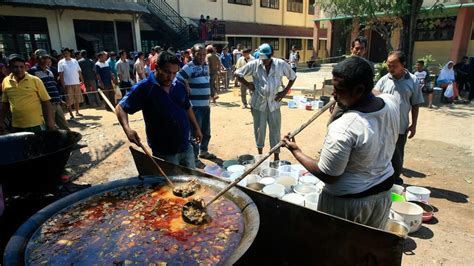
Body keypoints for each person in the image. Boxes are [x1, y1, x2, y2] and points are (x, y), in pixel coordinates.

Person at [282, 56, 400, 229]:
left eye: (339, 89)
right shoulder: (391, 102)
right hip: (382, 194)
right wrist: (344, 100)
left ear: (359, 89)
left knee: (337, 252)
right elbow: (374, 93)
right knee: (367, 249)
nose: (333, 94)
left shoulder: (345, 127)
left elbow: (329, 175)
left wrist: (296, 151)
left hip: (348, 206)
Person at [116, 51, 203, 168]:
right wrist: (127, 130)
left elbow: (187, 107)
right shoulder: (145, 87)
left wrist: (196, 128)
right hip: (164, 151)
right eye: (167, 72)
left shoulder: (180, 84)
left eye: (174, 73)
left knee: (192, 180)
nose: (171, 77)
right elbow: (120, 108)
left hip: (185, 146)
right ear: (157, 68)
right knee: (170, 185)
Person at [235, 43, 296, 161]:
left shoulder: (280, 64)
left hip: (274, 104)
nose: (264, 61)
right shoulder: (254, 64)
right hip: (258, 104)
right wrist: (248, 84)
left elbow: (293, 77)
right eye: (262, 58)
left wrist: (284, 92)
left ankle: (276, 157)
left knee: (275, 131)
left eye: (266, 59)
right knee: (259, 130)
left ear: (271, 55)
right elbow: (237, 73)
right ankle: (260, 155)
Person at [374, 51, 424, 185]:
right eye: (388, 65)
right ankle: (380, 180)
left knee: (397, 155)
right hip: (383, 125)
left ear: (403, 64)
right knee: (381, 153)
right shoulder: (384, 80)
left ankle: (395, 180)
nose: (390, 68)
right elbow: (373, 98)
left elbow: (415, 104)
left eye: (393, 66)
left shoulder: (413, 80)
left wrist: (414, 125)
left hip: (400, 126)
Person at [177, 43, 216, 168]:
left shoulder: (205, 65)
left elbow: (207, 80)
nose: (202, 57)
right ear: (193, 54)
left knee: (206, 130)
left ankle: (203, 151)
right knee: (195, 133)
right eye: (199, 54)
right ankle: (194, 158)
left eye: (204, 54)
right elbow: (177, 78)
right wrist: (185, 84)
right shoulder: (189, 67)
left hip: (205, 105)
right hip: (195, 106)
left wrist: (212, 92)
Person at [0, 54, 56, 134]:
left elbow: (46, 102)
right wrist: (1, 120)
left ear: (25, 67)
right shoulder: (5, 81)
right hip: (17, 126)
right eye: (15, 67)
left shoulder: (35, 80)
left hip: (36, 125)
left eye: (21, 67)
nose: (19, 69)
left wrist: (50, 122)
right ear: (9, 67)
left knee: (38, 146)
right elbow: (5, 103)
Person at [28, 49, 69, 130]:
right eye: (43, 58)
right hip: (46, 104)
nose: (46, 60)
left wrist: (60, 99)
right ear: (37, 59)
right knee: (51, 126)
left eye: (47, 58)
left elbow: (54, 86)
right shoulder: (33, 71)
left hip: (56, 102)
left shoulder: (49, 71)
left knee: (64, 125)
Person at [58, 48, 84, 119]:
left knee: (77, 98)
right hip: (67, 84)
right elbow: (61, 74)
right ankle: (71, 114)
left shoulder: (75, 61)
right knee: (69, 99)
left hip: (76, 82)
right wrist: (63, 84)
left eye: (67, 53)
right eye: (64, 53)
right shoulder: (61, 62)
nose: (65, 54)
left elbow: (79, 71)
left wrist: (82, 80)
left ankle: (77, 112)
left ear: (69, 53)